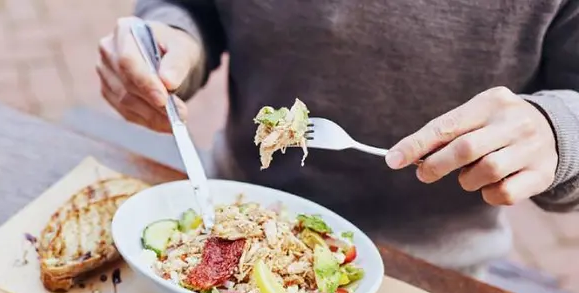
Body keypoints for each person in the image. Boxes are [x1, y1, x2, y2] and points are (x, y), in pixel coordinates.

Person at [96, 1, 579, 277]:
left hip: (433, 275)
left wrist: (557, 130)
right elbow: (191, 6)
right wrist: (168, 40)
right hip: (227, 217)